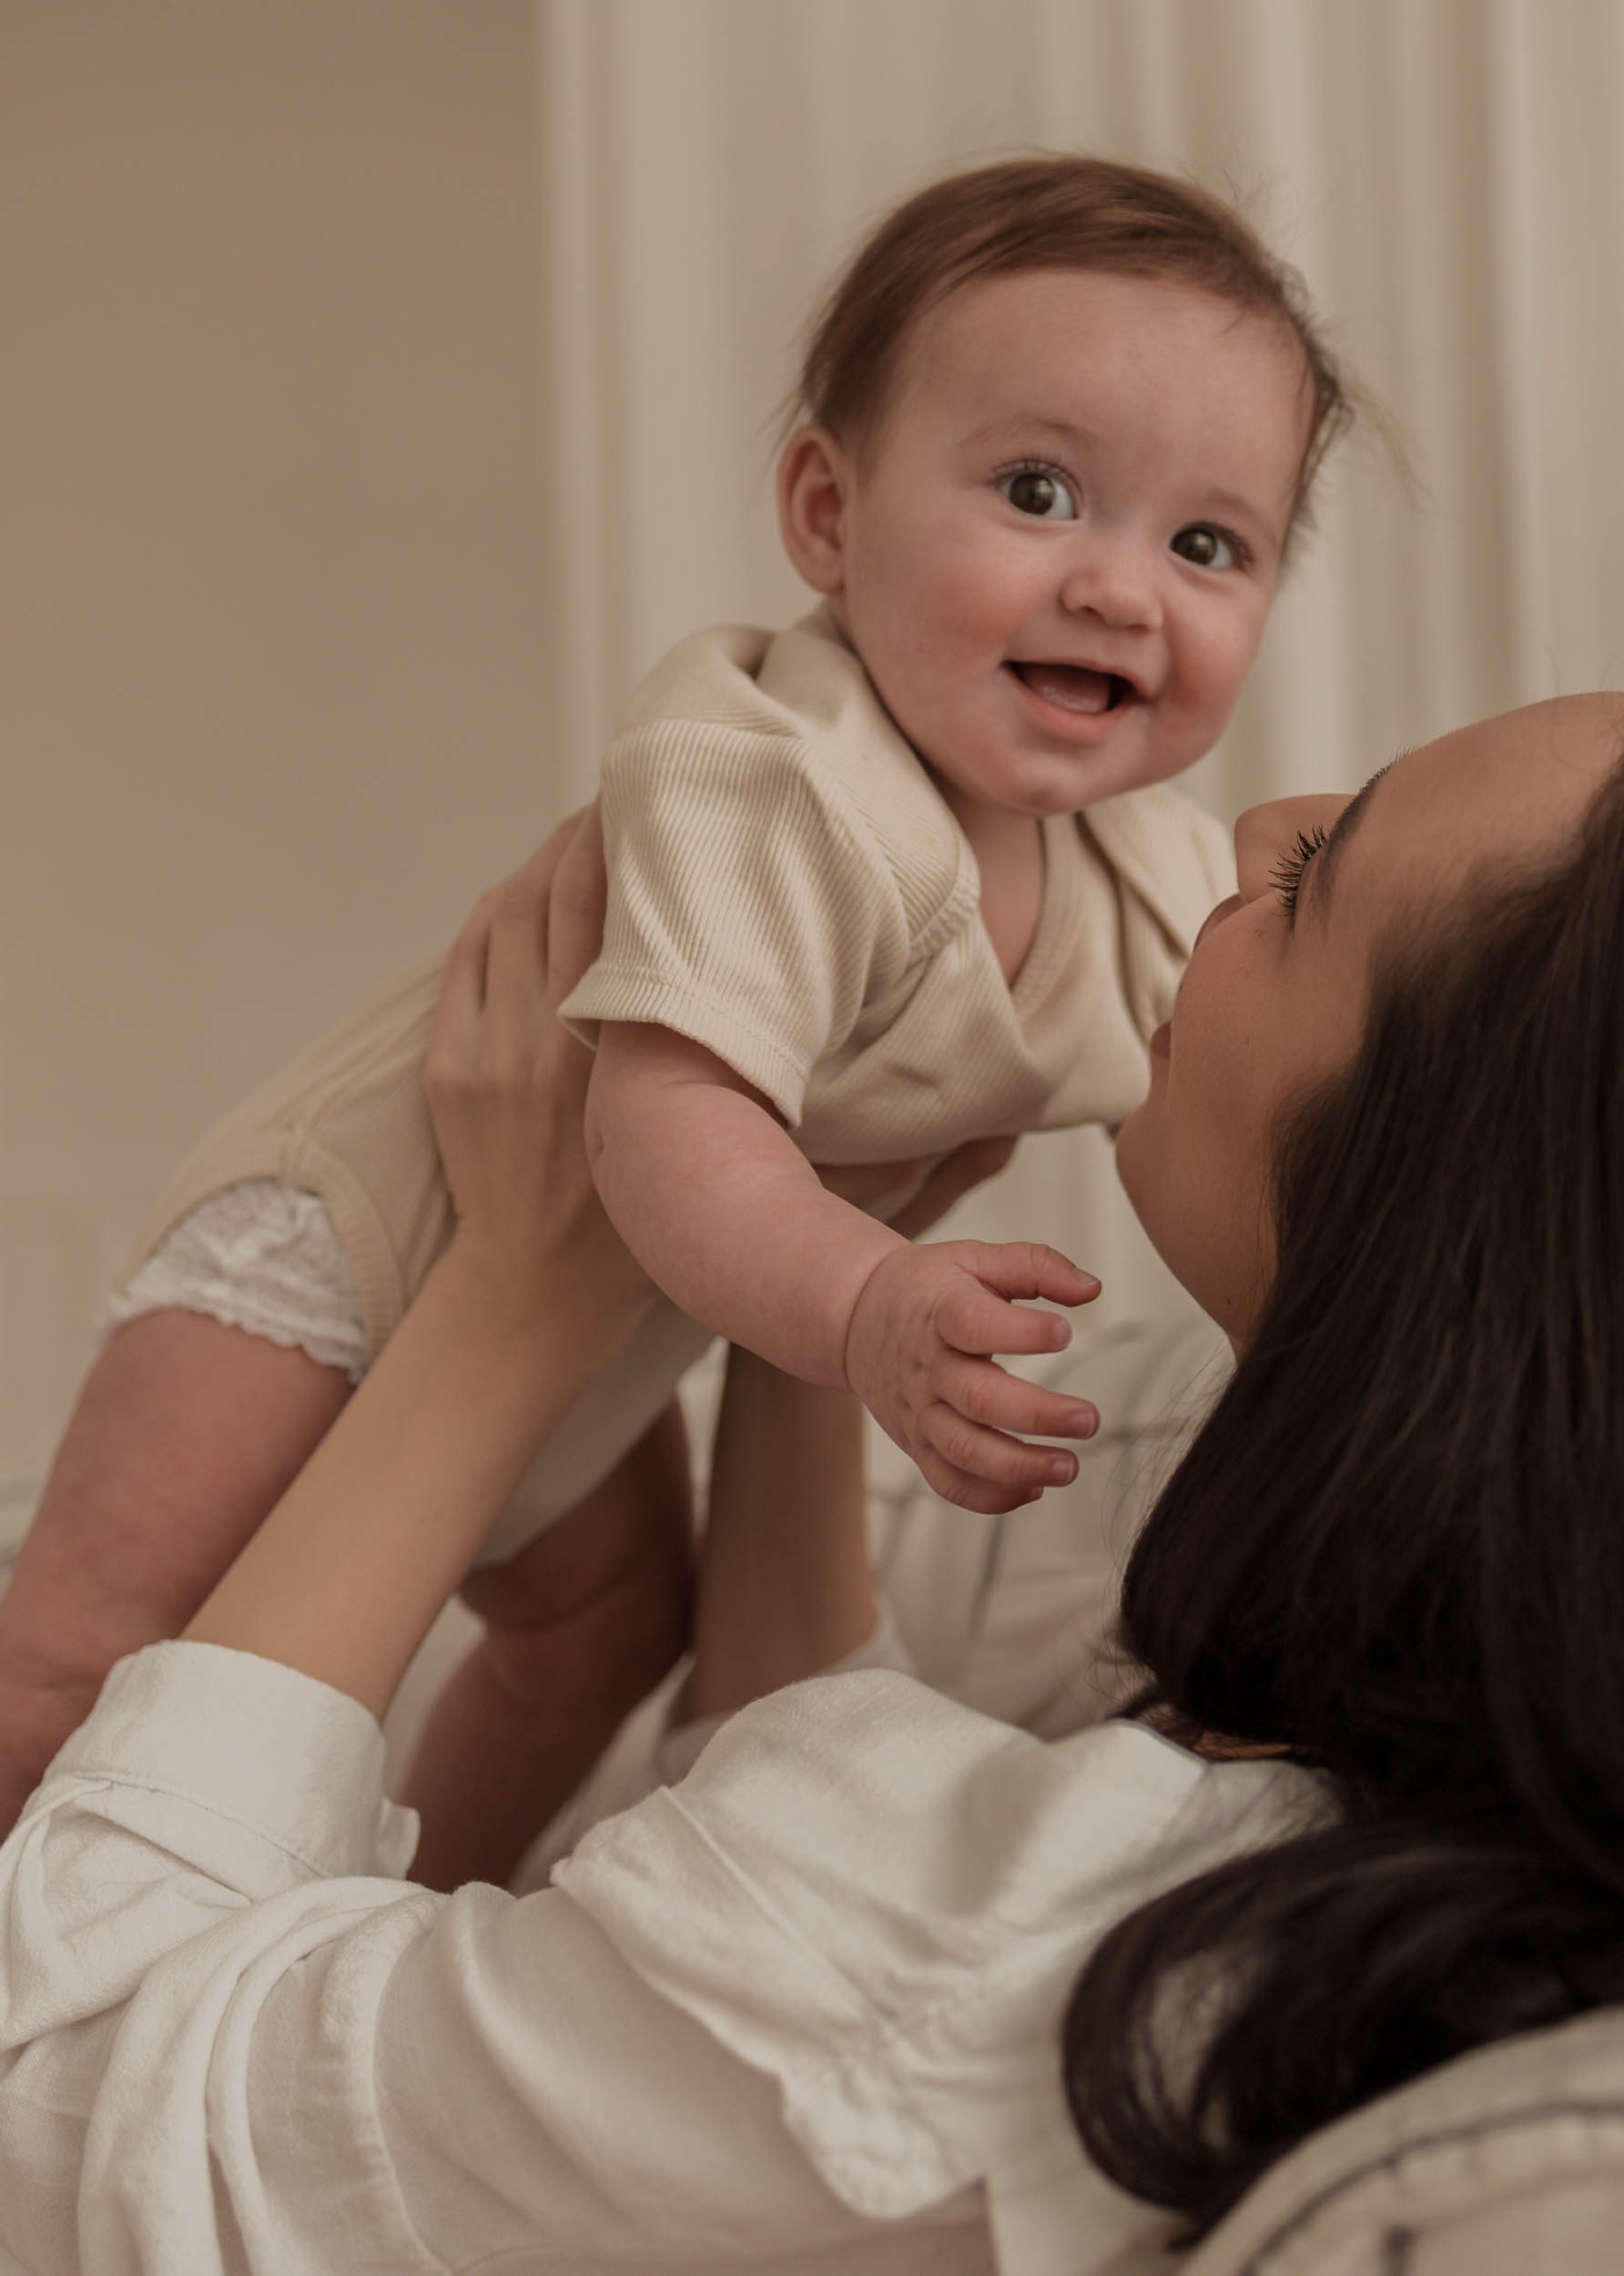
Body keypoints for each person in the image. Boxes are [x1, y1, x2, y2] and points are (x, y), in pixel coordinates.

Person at [10, 677, 1624, 2276]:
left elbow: (73, 2097)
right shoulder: (1566, 1816)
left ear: (1462, 1243)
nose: (1251, 825)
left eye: (1326, 872)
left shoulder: (1020, 1938)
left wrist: (510, 1293)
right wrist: (821, 1313)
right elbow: (796, 1832)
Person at [0, 154, 1358, 1870]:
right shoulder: (779, 777)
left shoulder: (1140, 878)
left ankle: (377, 1921)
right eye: (1036, 489)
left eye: (1208, 542)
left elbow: (1252, 1112)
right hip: (354, 1249)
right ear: (824, 513)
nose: (1119, 586)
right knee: (69, 1670)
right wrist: (870, 1308)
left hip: (602, 1320)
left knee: (598, 1635)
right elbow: (662, 1122)